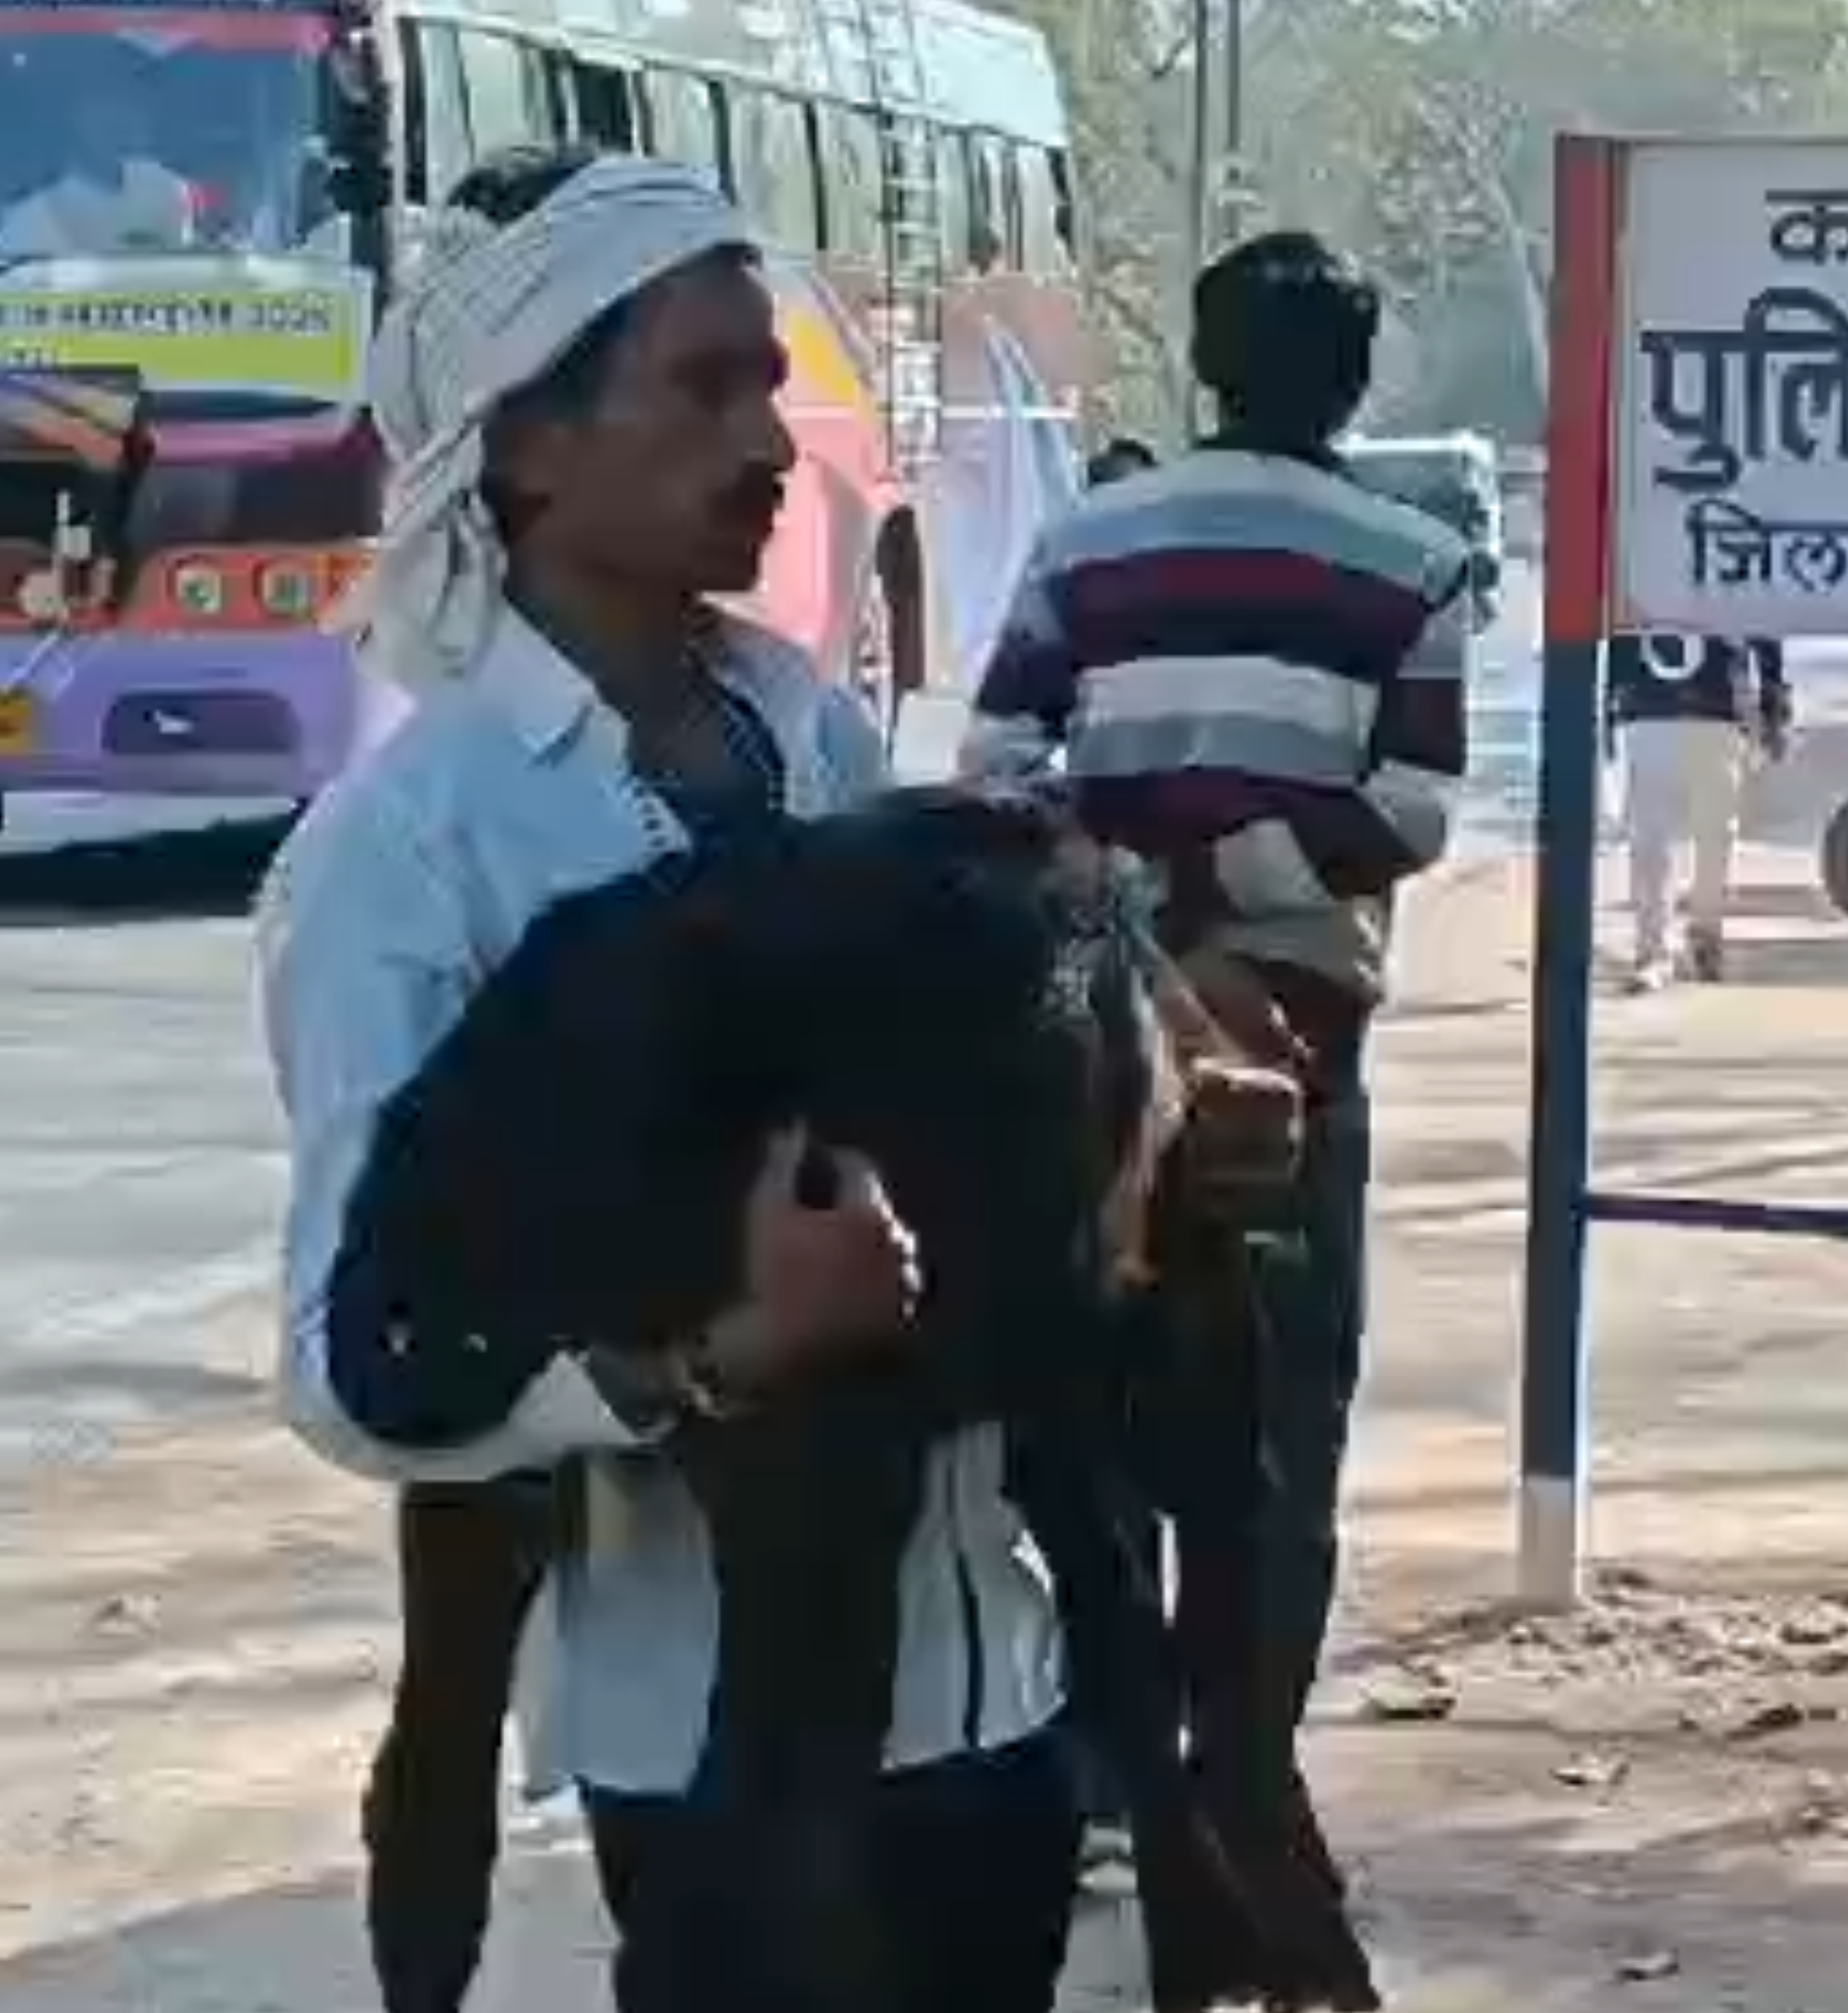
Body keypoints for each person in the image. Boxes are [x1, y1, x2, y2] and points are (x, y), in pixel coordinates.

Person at [258, 145, 1078, 2013]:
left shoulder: (815, 728)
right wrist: (698, 1362)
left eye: (770, 383)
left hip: (993, 1687)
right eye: (704, 388)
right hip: (706, 1748)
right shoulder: (412, 848)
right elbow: (343, 1372)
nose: (773, 442)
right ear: (526, 447)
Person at [960, 229, 1472, 1837]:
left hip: (1093, 1018)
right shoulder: (1413, 562)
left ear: (1203, 363)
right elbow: (1409, 818)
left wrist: (1134, 873)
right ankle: (1242, 1764)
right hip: (1297, 1037)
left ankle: (1115, 1764)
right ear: (1359, 377)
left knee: (1092, 1388)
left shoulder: (1089, 538)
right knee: (1280, 1401)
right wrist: (1237, 863)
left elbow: (995, 766)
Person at [1604, 630, 1789, 989]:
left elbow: (1765, 620)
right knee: (1649, 839)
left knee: (1715, 835)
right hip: (1646, 703)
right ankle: (1653, 951)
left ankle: (1704, 934)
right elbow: (1610, 621)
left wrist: (1773, 706)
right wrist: (1606, 710)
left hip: (1717, 705)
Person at [0, 95, 198, 254]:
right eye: (101, 111)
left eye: (127, 104)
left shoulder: (161, 184)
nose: (122, 118)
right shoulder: (23, 225)